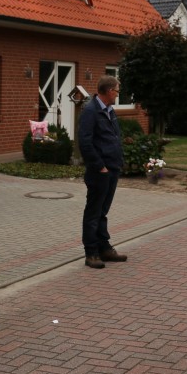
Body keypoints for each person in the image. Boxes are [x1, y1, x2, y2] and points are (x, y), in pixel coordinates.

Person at [77, 75, 127, 269]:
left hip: (112, 168)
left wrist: (117, 161)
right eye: (117, 91)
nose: (118, 94)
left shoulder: (109, 110)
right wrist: (100, 166)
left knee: (102, 211)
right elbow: (85, 142)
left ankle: (104, 248)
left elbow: (113, 137)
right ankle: (91, 253)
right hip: (99, 171)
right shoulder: (91, 111)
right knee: (93, 212)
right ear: (108, 91)